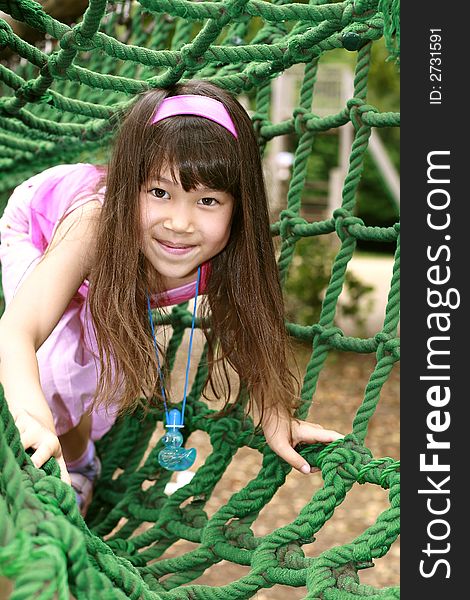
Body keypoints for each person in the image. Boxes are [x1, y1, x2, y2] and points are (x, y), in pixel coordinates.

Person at [0, 80, 341, 514]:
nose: (180, 223)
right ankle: (69, 461)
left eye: (209, 200)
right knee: (58, 367)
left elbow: (247, 329)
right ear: (131, 189)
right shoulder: (94, 223)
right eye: (159, 192)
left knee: (107, 366)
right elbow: (17, 330)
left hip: (123, 274)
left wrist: (276, 416)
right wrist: (32, 421)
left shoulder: (228, 251)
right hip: (40, 230)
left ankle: (82, 460)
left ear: (238, 207)